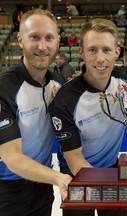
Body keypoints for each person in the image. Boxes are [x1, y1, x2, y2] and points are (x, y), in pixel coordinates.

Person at [49, 18, 127, 216]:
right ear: (81, 53)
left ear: (117, 52)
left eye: (106, 50)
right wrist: (108, 186)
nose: (100, 59)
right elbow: (75, 160)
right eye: (92, 50)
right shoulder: (65, 100)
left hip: (111, 169)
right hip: (76, 178)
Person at [0, 9, 72, 216]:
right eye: (34, 37)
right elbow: (12, 157)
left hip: (42, 186)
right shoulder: (5, 88)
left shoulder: (58, 83)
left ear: (58, 41)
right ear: (20, 40)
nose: (42, 46)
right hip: (8, 189)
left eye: (49, 38)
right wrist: (57, 178)